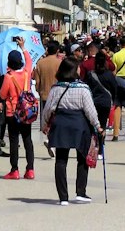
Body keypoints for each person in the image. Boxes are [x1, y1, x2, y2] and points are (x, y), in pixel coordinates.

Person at [40, 56, 103, 206]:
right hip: (79, 125)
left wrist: (44, 125)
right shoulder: (83, 88)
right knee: (82, 158)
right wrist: (97, 125)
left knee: (61, 160)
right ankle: (80, 192)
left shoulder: (56, 88)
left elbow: (47, 109)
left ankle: (63, 197)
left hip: (61, 124)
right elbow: (90, 110)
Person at [0, 48, 36, 180]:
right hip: (26, 111)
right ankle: (30, 169)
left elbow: (2, 94)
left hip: (13, 112)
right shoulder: (27, 73)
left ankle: (14, 170)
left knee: (14, 141)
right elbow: (29, 61)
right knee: (27, 140)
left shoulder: (9, 77)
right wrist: (23, 47)